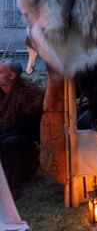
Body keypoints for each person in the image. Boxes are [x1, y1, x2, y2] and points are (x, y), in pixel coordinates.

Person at [0, 59, 44, 197]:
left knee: (8, 143)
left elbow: (28, 126)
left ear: (12, 76)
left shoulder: (29, 94)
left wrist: (3, 136)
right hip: (5, 135)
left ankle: (13, 186)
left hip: (24, 142)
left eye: (0, 72)